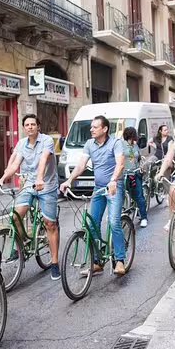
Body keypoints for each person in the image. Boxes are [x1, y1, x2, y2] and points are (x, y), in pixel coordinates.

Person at [0, 114, 61, 280]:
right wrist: (3, 179)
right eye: (27, 125)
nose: (30, 127)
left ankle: (54, 263)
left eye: (33, 124)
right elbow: (15, 164)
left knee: (50, 224)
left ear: (38, 127)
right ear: (24, 128)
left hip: (46, 185)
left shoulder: (46, 141)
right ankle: (22, 245)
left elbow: (44, 160)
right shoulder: (22, 143)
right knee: (15, 216)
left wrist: (40, 178)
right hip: (29, 184)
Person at [60, 115, 127, 276]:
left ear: (104, 129)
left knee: (113, 222)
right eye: (91, 127)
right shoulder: (89, 144)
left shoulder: (115, 143)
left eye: (95, 127)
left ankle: (119, 260)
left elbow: (121, 164)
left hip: (114, 187)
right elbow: (81, 165)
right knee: (92, 225)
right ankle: (97, 261)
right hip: (98, 188)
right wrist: (69, 180)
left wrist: (113, 180)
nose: (91, 129)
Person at [122, 127, 148, 228]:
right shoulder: (121, 145)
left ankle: (144, 217)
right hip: (125, 174)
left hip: (135, 173)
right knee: (123, 195)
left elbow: (138, 158)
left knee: (139, 196)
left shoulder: (135, 145)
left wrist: (141, 167)